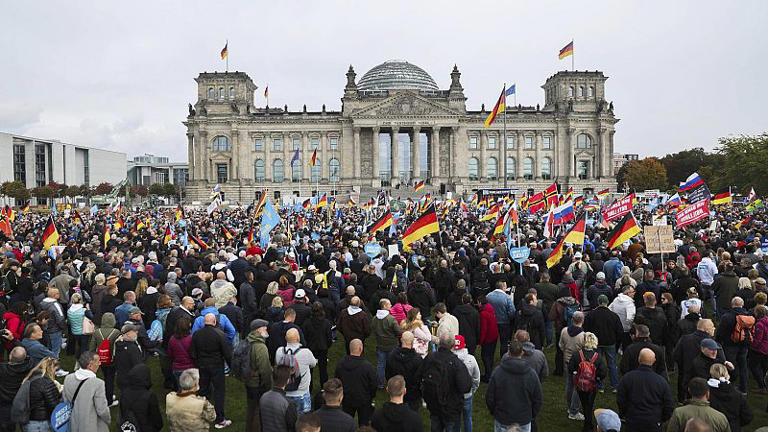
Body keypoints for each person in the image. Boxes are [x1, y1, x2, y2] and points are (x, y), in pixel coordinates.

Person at [416, 332, 471, 432]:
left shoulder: (430, 358)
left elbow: (418, 376)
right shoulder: (456, 363)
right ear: (453, 345)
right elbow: (465, 387)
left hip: (434, 404)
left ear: (439, 343)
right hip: (451, 408)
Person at [485, 340, 543, 432]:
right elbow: (538, 398)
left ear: (508, 351)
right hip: (520, 419)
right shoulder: (531, 374)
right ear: (522, 352)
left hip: (505, 418)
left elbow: (490, 397)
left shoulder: (498, 372)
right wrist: (531, 415)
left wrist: (495, 412)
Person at [190, 313, 233, 428]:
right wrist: (231, 367)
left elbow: (192, 353)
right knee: (219, 392)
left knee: (202, 391)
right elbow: (227, 353)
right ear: (214, 322)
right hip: (216, 366)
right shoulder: (220, 334)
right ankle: (220, 419)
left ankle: (199, 415)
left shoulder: (197, 334)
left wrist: (198, 363)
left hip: (202, 366)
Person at [616, 348, 675, 432]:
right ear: (654, 361)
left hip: (633, 420)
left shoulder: (627, 378)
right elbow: (669, 405)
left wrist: (625, 414)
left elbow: (620, 399)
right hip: (653, 422)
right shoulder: (661, 382)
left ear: (639, 359)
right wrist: (661, 418)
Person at [62, 351, 110, 432]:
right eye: (98, 361)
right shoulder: (98, 384)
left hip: (73, 423)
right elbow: (102, 410)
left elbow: (65, 401)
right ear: (90, 366)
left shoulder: (68, 378)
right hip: (91, 426)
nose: (100, 364)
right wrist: (108, 419)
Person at [584, 294, 623, 392]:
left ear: (598, 302)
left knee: (597, 364)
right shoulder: (613, 316)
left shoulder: (591, 314)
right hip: (610, 342)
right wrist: (616, 341)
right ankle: (614, 385)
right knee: (612, 364)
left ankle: (599, 385)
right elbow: (619, 331)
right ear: (607, 302)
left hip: (596, 343)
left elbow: (586, 329)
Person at [568, 332, 606, 432]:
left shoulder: (577, 354)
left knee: (585, 404)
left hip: (580, 385)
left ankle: (587, 423)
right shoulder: (597, 357)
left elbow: (570, 368)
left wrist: (576, 373)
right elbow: (603, 372)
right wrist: (596, 377)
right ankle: (588, 425)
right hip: (592, 385)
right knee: (589, 404)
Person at [275, 328, 317, 415]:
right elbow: (313, 364)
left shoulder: (279, 351)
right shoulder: (306, 352)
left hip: (284, 392)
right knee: (304, 422)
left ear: (286, 338)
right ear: (298, 338)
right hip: (302, 393)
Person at [334, 339, 376, 426]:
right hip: (363, 399)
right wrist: (370, 396)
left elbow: (337, 381)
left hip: (347, 399)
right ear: (361, 349)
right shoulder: (367, 366)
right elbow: (373, 385)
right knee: (363, 425)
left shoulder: (341, 364)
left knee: (346, 423)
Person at [714, 296, 752, 393]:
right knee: (743, 365)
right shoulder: (748, 316)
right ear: (742, 305)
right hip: (744, 344)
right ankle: (744, 388)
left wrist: (718, 341)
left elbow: (720, 332)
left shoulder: (727, 316)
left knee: (730, 365)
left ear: (732, 305)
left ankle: (729, 386)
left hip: (730, 344)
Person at [16, 356, 60, 432]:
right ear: (51, 368)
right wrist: (59, 392)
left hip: (27, 420)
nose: (55, 373)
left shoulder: (30, 377)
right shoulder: (47, 383)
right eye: (55, 370)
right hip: (40, 423)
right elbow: (54, 405)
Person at [243, 319, 272, 432]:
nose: (266, 328)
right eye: (264, 327)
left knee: (251, 408)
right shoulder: (260, 347)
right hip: (257, 383)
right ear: (258, 329)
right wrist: (268, 386)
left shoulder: (248, 340)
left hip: (248, 381)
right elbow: (265, 369)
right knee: (257, 411)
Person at [707, 363, 752, 432]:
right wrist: (736, 423)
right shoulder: (737, 394)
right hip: (732, 428)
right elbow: (747, 415)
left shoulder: (706, 393)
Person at [119, 363, 164, 432]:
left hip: (131, 428)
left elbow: (122, 414)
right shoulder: (150, 396)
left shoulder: (124, 394)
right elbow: (158, 422)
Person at [88, 312, 120, 406]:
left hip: (100, 359)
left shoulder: (96, 332)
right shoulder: (116, 332)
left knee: (106, 377)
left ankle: (107, 394)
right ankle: (109, 400)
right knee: (110, 379)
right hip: (112, 360)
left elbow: (92, 348)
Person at [385, 331, 423, 411]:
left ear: (401, 340)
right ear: (412, 342)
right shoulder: (417, 360)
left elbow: (388, 374)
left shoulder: (391, 355)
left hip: (397, 392)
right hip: (411, 396)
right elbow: (419, 380)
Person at [559, 310, 585, 421]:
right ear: (582, 321)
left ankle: (570, 408)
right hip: (578, 364)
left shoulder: (564, 330)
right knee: (577, 387)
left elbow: (561, 345)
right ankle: (573, 411)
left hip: (567, 360)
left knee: (569, 384)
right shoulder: (583, 336)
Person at [0, 346, 33, 432]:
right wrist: (14, 341)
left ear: (10, 356)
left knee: (5, 425)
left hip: (4, 401)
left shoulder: (2, 368)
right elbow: (27, 355)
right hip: (19, 400)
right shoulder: (28, 366)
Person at [372, 298, 403, 388]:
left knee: (381, 365)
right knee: (392, 365)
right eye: (389, 304)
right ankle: (393, 384)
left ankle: (380, 384)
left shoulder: (374, 318)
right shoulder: (391, 319)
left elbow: (373, 329)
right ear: (384, 306)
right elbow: (398, 332)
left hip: (380, 345)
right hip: (392, 345)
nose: (391, 305)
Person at [453, 335, 480, 432]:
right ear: (464, 345)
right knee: (467, 418)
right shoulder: (471, 359)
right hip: (467, 394)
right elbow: (476, 378)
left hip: (454, 395)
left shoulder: (449, 360)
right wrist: (473, 390)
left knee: (456, 420)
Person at [301, 302, 332, 389]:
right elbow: (329, 338)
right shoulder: (326, 323)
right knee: (323, 370)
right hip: (322, 348)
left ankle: (309, 387)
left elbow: (304, 337)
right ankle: (323, 387)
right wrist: (327, 346)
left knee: (310, 370)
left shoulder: (307, 323)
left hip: (311, 348)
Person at [259, 365, 298, 432]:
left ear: (272, 378)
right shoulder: (288, 403)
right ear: (288, 381)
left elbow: (262, 422)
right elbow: (292, 427)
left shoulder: (263, 397)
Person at [486, 280, 515, 357]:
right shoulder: (507, 298)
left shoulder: (488, 296)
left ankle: (490, 356)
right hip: (504, 322)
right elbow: (512, 311)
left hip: (492, 322)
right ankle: (503, 357)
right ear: (503, 287)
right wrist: (510, 318)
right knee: (504, 342)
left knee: (492, 342)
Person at [167, 316, 194, 392]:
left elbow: (170, 354)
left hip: (177, 368)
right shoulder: (190, 339)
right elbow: (194, 354)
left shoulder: (172, 339)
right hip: (189, 368)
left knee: (181, 389)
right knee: (191, 390)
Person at [478, 294, 499, 382]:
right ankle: (490, 372)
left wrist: (480, 342)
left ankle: (488, 375)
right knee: (490, 355)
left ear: (480, 303)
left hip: (488, 338)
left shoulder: (483, 313)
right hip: (494, 335)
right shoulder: (490, 308)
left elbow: (484, 329)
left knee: (485, 356)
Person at [67, 292, 94, 358]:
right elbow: (91, 317)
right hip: (83, 332)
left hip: (74, 331)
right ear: (80, 300)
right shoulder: (83, 311)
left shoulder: (69, 311)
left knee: (80, 344)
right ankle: (82, 358)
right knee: (84, 347)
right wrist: (88, 309)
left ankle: (79, 354)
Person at [749, 305, 768, 393]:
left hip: (759, 349)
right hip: (766, 349)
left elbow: (758, 339)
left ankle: (761, 386)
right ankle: (763, 382)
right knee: (764, 366)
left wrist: (752, 346)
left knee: (753, 366)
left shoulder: (759, 324)